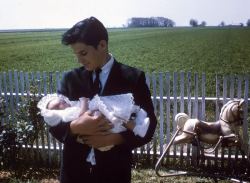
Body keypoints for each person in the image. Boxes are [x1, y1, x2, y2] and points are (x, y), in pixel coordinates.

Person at [49, 16, 157, 183]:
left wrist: (114, 139)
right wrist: (74, 127)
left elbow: (149, 127)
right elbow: (53, 122)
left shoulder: (133, 79)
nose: (79, 60)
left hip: (114, 173)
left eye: (83, 53)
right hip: (74, 174)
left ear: (102, 45)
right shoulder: (70, 79)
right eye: (76, 54)